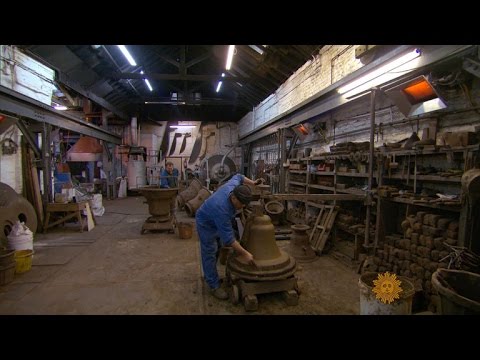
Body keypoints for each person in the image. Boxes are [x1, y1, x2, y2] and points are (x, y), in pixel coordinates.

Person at [196, 173, 263, 300]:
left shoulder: (233, 186)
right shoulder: (222, 209)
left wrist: (253, 182)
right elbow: (229, 239)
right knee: (210, 250)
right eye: (241, 204)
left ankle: (211, 274)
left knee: (218, 246)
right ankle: (213, 285)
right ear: (233, 198)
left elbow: (239, 176)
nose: (243, 207)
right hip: (206, 222)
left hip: (213, 216)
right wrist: (245, 254)